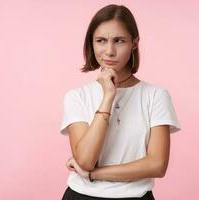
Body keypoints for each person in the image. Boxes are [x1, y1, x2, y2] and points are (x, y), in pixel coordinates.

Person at [59, 4, 181, 200]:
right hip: (81, 196)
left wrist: (94, 175)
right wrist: (108, 97)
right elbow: (85, 160)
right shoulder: (77, 96)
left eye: (119, 41)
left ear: (134, 43)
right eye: (101, 41)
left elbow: (157, 165)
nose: (109, 51)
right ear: (92, 43)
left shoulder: (156, 96)